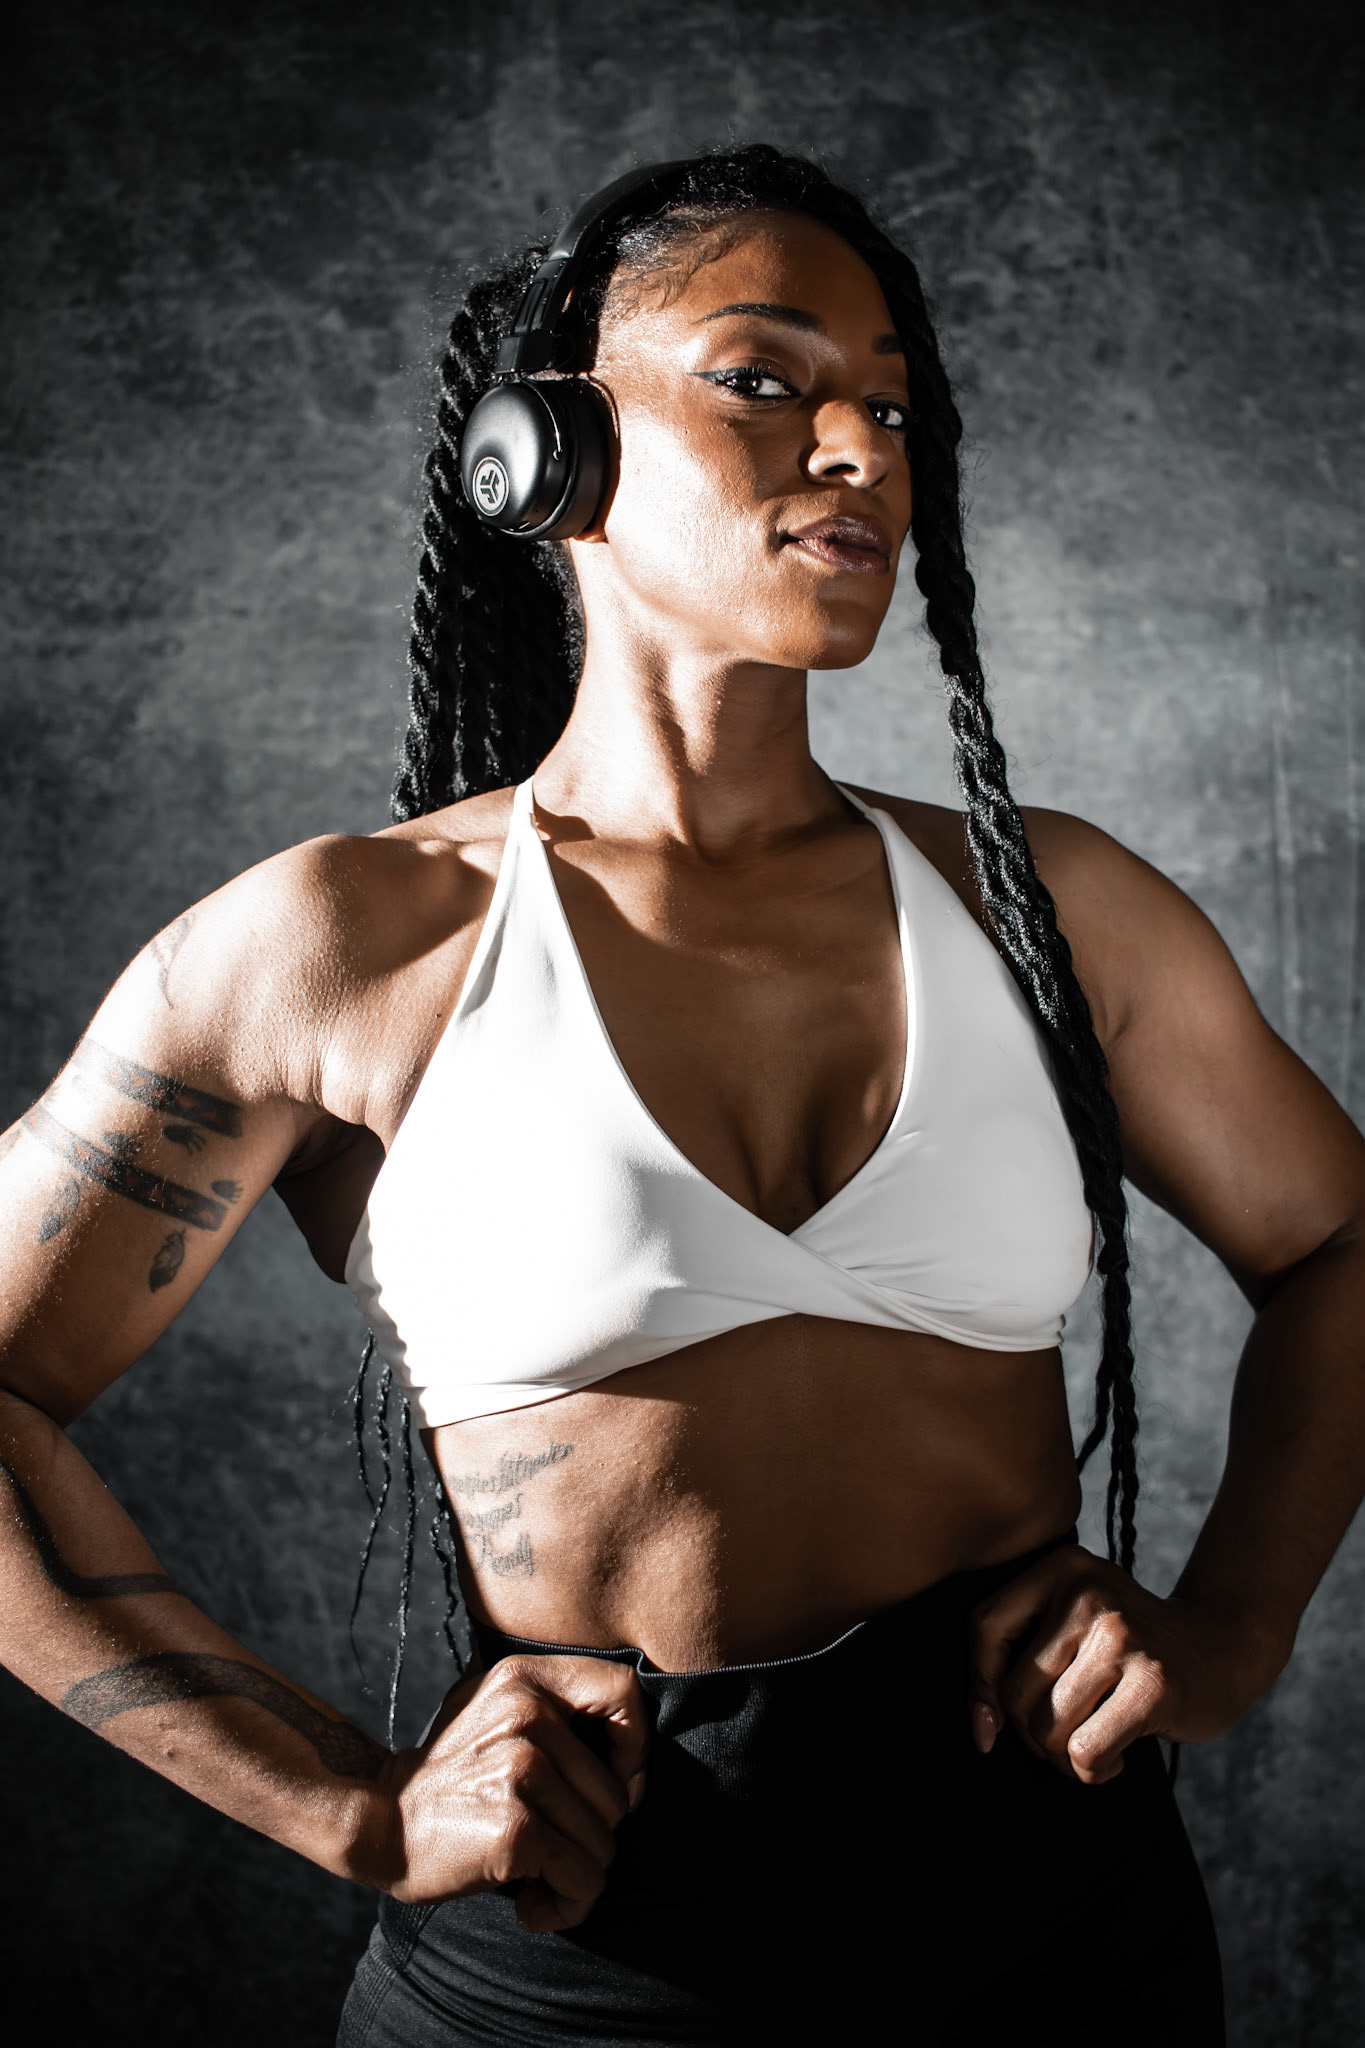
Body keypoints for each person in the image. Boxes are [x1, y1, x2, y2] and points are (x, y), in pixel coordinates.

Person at [1, 144, 1361, 2048]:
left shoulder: (1053, 915)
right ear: (540, 456)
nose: (859, 445)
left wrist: (1225, 1633)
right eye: (766, 377)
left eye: (889, 399)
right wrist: (352, 1808)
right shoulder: (348, 945)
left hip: (1058, 1934)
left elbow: (1341, 1248)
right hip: (580, 1962)